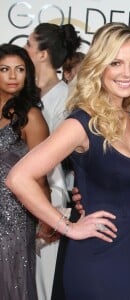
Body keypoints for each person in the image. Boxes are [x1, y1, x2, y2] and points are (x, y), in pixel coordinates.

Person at [6, 22, 130, 300]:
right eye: (116, 63)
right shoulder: (81, 123)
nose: (128, 73)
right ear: (99, 66)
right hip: (96, 257)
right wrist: (66, 225)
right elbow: (19, 178)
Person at [25, 22, 81, 300]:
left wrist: (51, 213)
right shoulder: (28, 97)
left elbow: (64, 164)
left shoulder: (67, 99)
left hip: (54, 209)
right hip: (26, 204)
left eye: (28, 45)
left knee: (46, 287)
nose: (25, 52)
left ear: (42, 54)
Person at [0, 43, 49, 300]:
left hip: (14, 218)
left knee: (11, 281)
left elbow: (41, 176)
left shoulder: (31, 117)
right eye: (5, 69)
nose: (12, 76)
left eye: (19, 69)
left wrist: (47, 218)